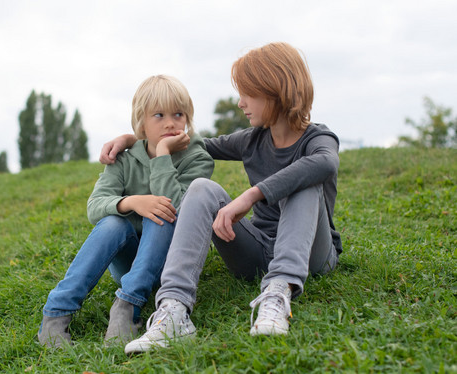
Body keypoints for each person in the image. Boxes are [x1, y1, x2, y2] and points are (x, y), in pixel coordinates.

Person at [99, 42, 342, 354]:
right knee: (201, 187)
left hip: (311, 256)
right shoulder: (251, 140)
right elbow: (187, 143)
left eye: (247, 94)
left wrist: (251, 196)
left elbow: (324, 164)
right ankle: (173, 310)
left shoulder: (318, 140)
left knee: (304, 179)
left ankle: (278, 291)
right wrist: (132, 138)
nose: (240, 103)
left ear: (275, 90)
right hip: (257, 254)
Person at [38, 75, 214, 348]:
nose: (170, 122)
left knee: (162, 211)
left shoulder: (196, 157)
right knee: (113, 223)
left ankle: (126, 308)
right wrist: (131, 202)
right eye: (159, 115)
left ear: (188, 118)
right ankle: (56, 314)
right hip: (129, 262)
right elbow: (94, 207)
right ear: (141, 122)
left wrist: (164, 154)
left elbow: (181, 210)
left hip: (172, 264)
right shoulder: (124, 157)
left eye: (178, 114)